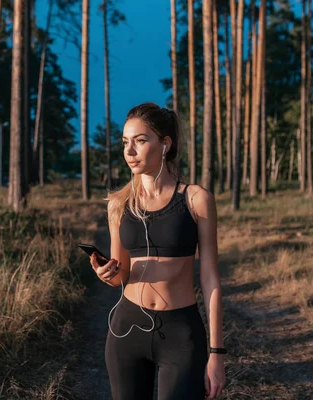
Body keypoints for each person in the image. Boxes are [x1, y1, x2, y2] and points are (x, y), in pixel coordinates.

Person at [90, 102, 226, 399]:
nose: (129, 151)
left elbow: (211, 280)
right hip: (126, 330)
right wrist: (106, 274)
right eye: (125, 142)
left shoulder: (196, 199)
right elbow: (120, 276)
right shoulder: (119, 203)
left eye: (140, 141)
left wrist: (216, 354)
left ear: (165, 144)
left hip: (180, 334)